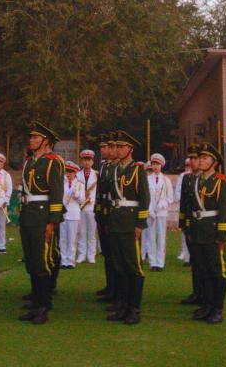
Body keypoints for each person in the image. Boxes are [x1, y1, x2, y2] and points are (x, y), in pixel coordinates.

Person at [18, 121, 64, 325]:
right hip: (28, 215)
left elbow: (56, 193)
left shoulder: (53, 162)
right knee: (31, 261)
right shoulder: (30, 162)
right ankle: (36, 303)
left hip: (42, 216)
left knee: (41, 263)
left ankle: (43, 307)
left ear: (46, 141)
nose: (32, 140)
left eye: (36, 137)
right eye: (31, 137)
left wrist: (52, 222)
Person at [105, 131, 150, 325]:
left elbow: (145, 198)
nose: (117, 149)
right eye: (116, 146)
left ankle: (134, 309)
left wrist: (140, 224)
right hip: (116, 221)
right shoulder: (115, 169)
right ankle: (122, 306)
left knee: (133, 267)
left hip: (130, 223)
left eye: (121, 146)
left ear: (130, 149)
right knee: (119, 266)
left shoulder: (137, 170)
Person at [189, 142, 226, 325]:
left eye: (205, 158)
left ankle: (217, 309)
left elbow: (224, 210)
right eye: (200, 157)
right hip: (198, 230)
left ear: (214, 162)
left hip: (212, 231)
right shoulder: (196, 180)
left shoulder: (220, 181)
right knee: (202, 269)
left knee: (217, 271)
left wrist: (222, 235)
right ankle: (206, 305)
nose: (201, 160)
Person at [94, 135, 116, 302]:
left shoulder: (115, 167)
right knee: (107, 253)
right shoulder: (103, 165)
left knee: (114, 254)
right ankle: (110, 286)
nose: (102, 150)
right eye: (101, 147)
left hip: (112, 212)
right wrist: (98, 211)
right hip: (102, 211)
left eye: (106, 147)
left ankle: (115, 289)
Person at [146, 153, 172, 271]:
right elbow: (145, 197)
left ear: (161, 165)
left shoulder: (166, 180)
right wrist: (150, 209)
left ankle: (160, 263)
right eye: (154, 164)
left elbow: (170, 198)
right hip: (150, 213)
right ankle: (152, 262)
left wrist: (162, 205)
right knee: (151, 237)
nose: (155, 166)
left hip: (162, 213)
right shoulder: (147, 180)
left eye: (158, 164)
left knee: (161, 237)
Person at [75, 150, 99, 264]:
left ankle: (91, 255)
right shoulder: (77, 175)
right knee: (81, 232)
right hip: (80, 206)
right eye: (85, 160)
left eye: (89, 160)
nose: (87, 162)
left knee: (92, 233)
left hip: (92, 206)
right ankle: (81, 254)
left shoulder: (97, 175)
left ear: (92, 161)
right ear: (82, 161)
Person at [61, 161, 85, 268]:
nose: (68, 174)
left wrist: (76, 194)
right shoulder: (62, 183)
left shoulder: (79, 184)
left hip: (73, 214)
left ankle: (70, 261)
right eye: (67, 171)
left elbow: (82, 200)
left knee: (72, 239)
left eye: (71, 172)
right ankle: (63, 261)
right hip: (63, 213)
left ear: (75, 173)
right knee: (63, 238)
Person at [175, 149, 197, 267]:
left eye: (194, 159)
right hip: (188, 213)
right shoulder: (185, 177)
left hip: (199, 216)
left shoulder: (201, 177)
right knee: (187, 236)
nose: (190, 164)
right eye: (189, 162)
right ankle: (187, 257)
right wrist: (182, 219)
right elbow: (181, 195)